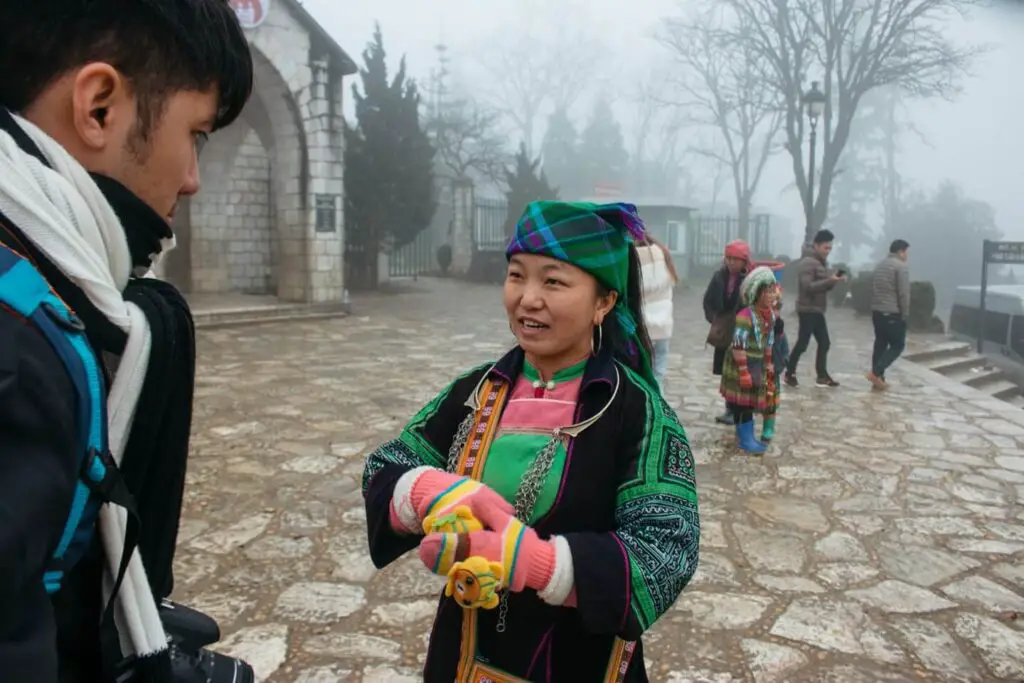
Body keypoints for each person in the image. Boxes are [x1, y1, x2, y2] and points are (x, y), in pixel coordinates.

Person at [0, 2, 255, 682]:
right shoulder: (20, 345)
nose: (193, 178)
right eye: (195, 133)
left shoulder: (49, 295)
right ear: (100, 107)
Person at [362, 201, 700, 683]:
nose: (527, 298)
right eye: (517, 276)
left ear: (604, 302)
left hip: (580, 661)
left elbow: (667, 550)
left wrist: (537, 563)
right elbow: (386, 466)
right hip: (464, 655)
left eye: (553, 281)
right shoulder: (474, 392)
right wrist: (421, 493)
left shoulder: (638, 413)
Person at [720, 267, 779, 455]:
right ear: (756, 291)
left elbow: (768, 342)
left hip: (758, 363)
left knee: (749, 401)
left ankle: (744, 434)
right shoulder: (745, 317)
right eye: (767, 291)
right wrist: (744, 371)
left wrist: (769, 362)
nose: (771, 295)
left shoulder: (770, 316)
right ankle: (746, 439)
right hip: (741, 363)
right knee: (743, 402)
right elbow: (738, 346)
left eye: (773, 290)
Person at [784, 229, 844, 388]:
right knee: (803, 343)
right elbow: (808, 286)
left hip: (816, 309)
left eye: (830, 248)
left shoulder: (819, 263)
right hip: (807, 309)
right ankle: (789, 373)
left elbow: (823, 287)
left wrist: (834, 280)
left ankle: (822, 376)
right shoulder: (808, 262)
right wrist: (828, 280)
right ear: (816, 245)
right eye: (826, 248)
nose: (828, 251)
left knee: (824, 342)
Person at [703, 240, 750, 425]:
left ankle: (742, 409)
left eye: (735, 259)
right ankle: (730, 408)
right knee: (726, 370)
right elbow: (708, 301)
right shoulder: (718, 277)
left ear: (744, 261)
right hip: (724, 329)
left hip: (741, 330)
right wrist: (714, 319)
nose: (731, 262)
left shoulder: (748, 279)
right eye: (728, 258)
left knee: (740, 369)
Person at [636, 234, 679, 390]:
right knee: (658, 373)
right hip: (663, 325)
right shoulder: (663, 252)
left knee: (641, 374)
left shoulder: (634, 255)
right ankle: (658, 408)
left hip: (643, 326)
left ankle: (645, 409)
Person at [866, 239, 911, 390]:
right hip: (892, 312)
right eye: (906, 252)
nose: (907, 256)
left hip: (877, 312)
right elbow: (903, 293)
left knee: (880, 343)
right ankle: (876, 372)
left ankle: (879, 378)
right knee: (898, 345)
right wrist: (904, 313)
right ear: (901, 252)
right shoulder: (901, 267)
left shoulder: (880, 265)